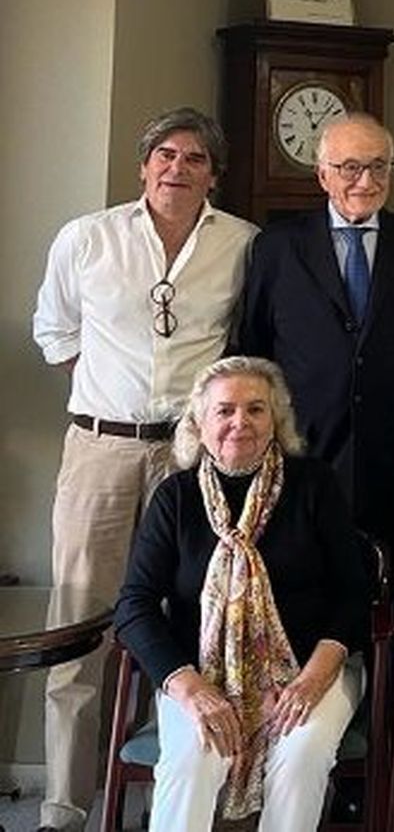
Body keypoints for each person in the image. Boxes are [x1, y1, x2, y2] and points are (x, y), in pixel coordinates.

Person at [31, 107, 256, 832]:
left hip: (193, 456)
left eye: (194, 158)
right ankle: (67, 804)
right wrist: (112, 396)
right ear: (143, 165)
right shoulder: (88, 238)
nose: (176, 169)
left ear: (213, 174)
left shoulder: (243, 245)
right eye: (164, 154)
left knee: (193, 620)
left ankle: (177, 797)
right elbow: (54, 332)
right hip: (101, 449)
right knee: (80, 624)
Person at [114, 357, 370, 831]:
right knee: (191, 760)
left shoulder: (314, 485)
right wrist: (190, 689)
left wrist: (310, 682)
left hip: (313, 669)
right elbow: (135, 605)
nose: (240, 423)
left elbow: (354, 593)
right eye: (225, 410)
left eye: (256, 409)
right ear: (199, 423)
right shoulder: (176, 498)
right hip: (201, 676)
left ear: (276, 420)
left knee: (302, 752)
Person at [234, 113, 394, 604]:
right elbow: (254, 349)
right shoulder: (277, 246)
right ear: (322, 174)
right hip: (301, 447)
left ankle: (383, 683)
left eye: (379, 166)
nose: (365, 181)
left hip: (392, 448)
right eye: (349, 167)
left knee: (388, 592)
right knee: (301, 586)